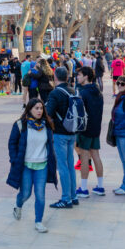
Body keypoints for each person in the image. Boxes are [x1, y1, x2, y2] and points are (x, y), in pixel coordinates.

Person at [7, 98, 57, 233]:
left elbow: (50, 145)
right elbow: (12, 143)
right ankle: (18, 205)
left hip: (42, 165)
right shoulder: (20, 125)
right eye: (36, 108)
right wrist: (14, 159)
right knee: (26, 193)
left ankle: (38, 221)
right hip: (26, 165)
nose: (39, 111)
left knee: (40, 195)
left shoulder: (47, 125)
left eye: (41, 108)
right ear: (29, 109)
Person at [46, 67, 78, 208]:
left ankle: (66, 199)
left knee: (63, 166)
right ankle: (73, 195)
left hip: (60, 133)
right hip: (72, 132)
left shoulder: (55, 93)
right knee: (70, 165)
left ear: (55, 77)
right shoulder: (73, 90)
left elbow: (48, 113)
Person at [75, 67, 105, 198]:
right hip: (96, 128)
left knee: (84, 157)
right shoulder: (98, 92)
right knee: (96, 156)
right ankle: (100, 186)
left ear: (86, 76)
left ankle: (83, 188)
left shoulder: (83, 93)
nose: (77, 77)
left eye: (79, 75)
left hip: (85, 129)